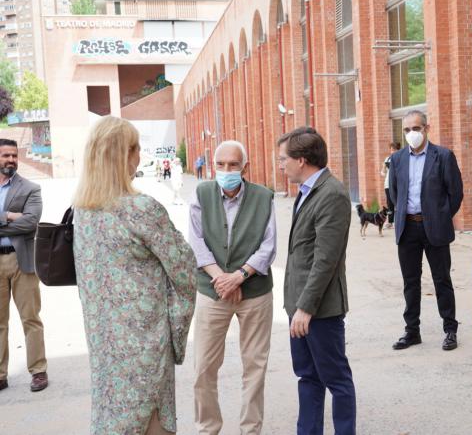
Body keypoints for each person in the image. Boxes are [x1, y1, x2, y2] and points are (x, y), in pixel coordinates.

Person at [72, 116, 197, 435]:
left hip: (104, 344)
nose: (140, 155)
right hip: (143, 344)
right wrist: (175, 332)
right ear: (122, 155)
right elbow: (183, 271)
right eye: (136, 148)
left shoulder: (84, 211)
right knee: (151, 420)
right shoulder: (140, 208)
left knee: (113, 418)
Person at [189, 141, 276, 435]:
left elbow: (268, 244)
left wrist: (239, 276)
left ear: (245, 167)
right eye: (221, 165)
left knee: (255, 366)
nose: (227, 170)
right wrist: (222, 279)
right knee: (203, 368)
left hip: (254, 292)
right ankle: (207, 428)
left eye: (233, 165)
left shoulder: (264, 197)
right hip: (213, 291)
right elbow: (197, 242)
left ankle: (250, 430)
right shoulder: (201, 194)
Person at [278, 127, 356, 435]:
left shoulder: (332, 194)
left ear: (301, 160)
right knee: (307, 376)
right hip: (299, 306)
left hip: (319, 310)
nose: (280, 164)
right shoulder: (308, 190)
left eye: (283, 159)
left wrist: (306, 308)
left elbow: (326, 259)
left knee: (336, 379)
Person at [388, 110, 463, 351]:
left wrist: (441, 216)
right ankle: (412, 331)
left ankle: (450, 329)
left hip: (435, 228)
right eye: (407, 130)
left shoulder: (443, 156)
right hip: (407, 228)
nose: (412, 134)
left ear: (426, 129)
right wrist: (401, 214)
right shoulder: (397, 159)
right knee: (410, 282)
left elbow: (456, 193)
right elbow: (394, 193)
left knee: (442, 280)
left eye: (416, 129)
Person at [0, 138, 48, 393]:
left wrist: (15, 221)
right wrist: (7, 216)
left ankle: (38, 370)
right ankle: (0, 374)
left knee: (31, 318)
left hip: (23, 261)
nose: (11, 160)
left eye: (14, 156)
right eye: (6, 155)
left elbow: (30, 224)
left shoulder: (31, 188)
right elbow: (18, 222)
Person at [381, 142, 401, 229]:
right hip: (388, 184)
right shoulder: (387, 159)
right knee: (390, 204)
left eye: (394, 150)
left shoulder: (401, 158)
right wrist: (383, 167)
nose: (392, 151)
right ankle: (390, 222)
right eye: (391, 150)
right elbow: (382, 173)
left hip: (398, 184)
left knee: (399, 203)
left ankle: (400, 221)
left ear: (398, 150)